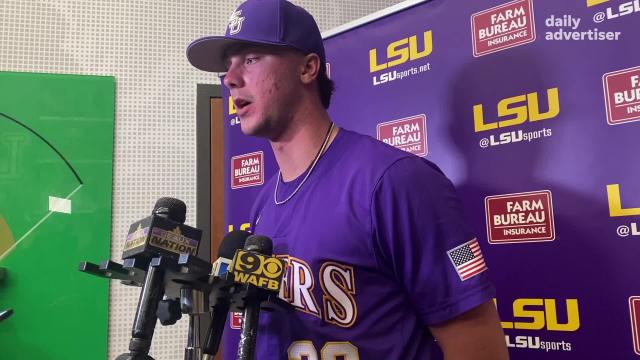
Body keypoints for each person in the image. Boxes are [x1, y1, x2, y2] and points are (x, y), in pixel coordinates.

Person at [187, 0, 509, 358]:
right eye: (227, 66)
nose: (230, 79)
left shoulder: (395, 183)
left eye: (250, 59)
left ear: (308, 68)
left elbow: (479, 345)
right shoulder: (265, 201)